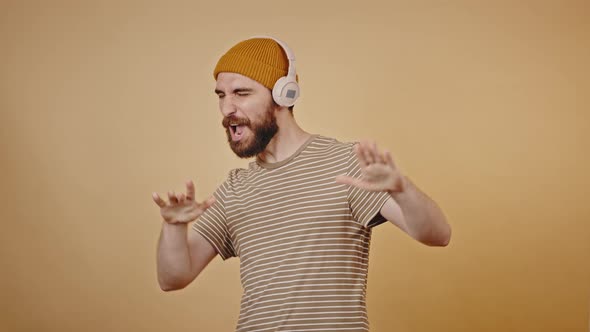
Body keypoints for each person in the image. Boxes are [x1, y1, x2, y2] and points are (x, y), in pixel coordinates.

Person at [152, 36, 451, 332]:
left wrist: (404, 191)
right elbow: (173, 278)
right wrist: (173, 228)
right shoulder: (234, 188)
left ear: (284, 94)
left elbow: (438, 234)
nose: (226, 108)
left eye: (241, 93)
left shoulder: (344, 162)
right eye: (220, 95)